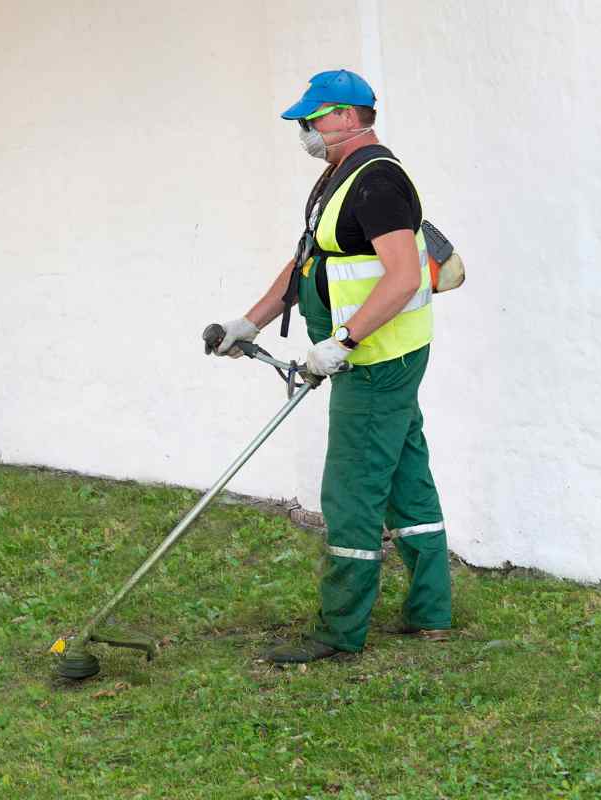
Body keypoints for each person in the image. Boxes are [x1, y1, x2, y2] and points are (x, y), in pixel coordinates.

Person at [209, 69, 452, 663]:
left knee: (349, 491)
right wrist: (251, 323)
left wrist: (342, 341)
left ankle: (338, 632)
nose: (305, 130)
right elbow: (307, 264)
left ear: (347, 116)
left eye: (312, 120)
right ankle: (432, 614)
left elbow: (404, 276)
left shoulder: (378, 184)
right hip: (376, 358)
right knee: (404, 478)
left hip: (373, 362)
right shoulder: (338, 179)